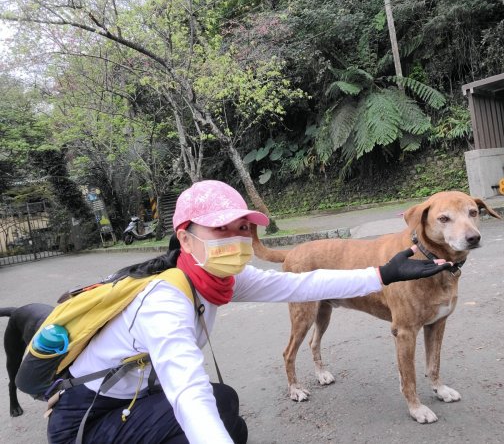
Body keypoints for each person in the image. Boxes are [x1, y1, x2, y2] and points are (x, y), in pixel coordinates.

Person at [46, 180, 452, 444]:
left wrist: (383, 273)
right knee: (209, 416)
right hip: (87, 419)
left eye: (243, 228)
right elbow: (186, 391)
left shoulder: (217, 279)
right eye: (221, 229)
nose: (238, 239)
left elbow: (302, 285)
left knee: (226, 407)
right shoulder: (164, 303)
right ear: (185, 240)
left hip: (134, 398)